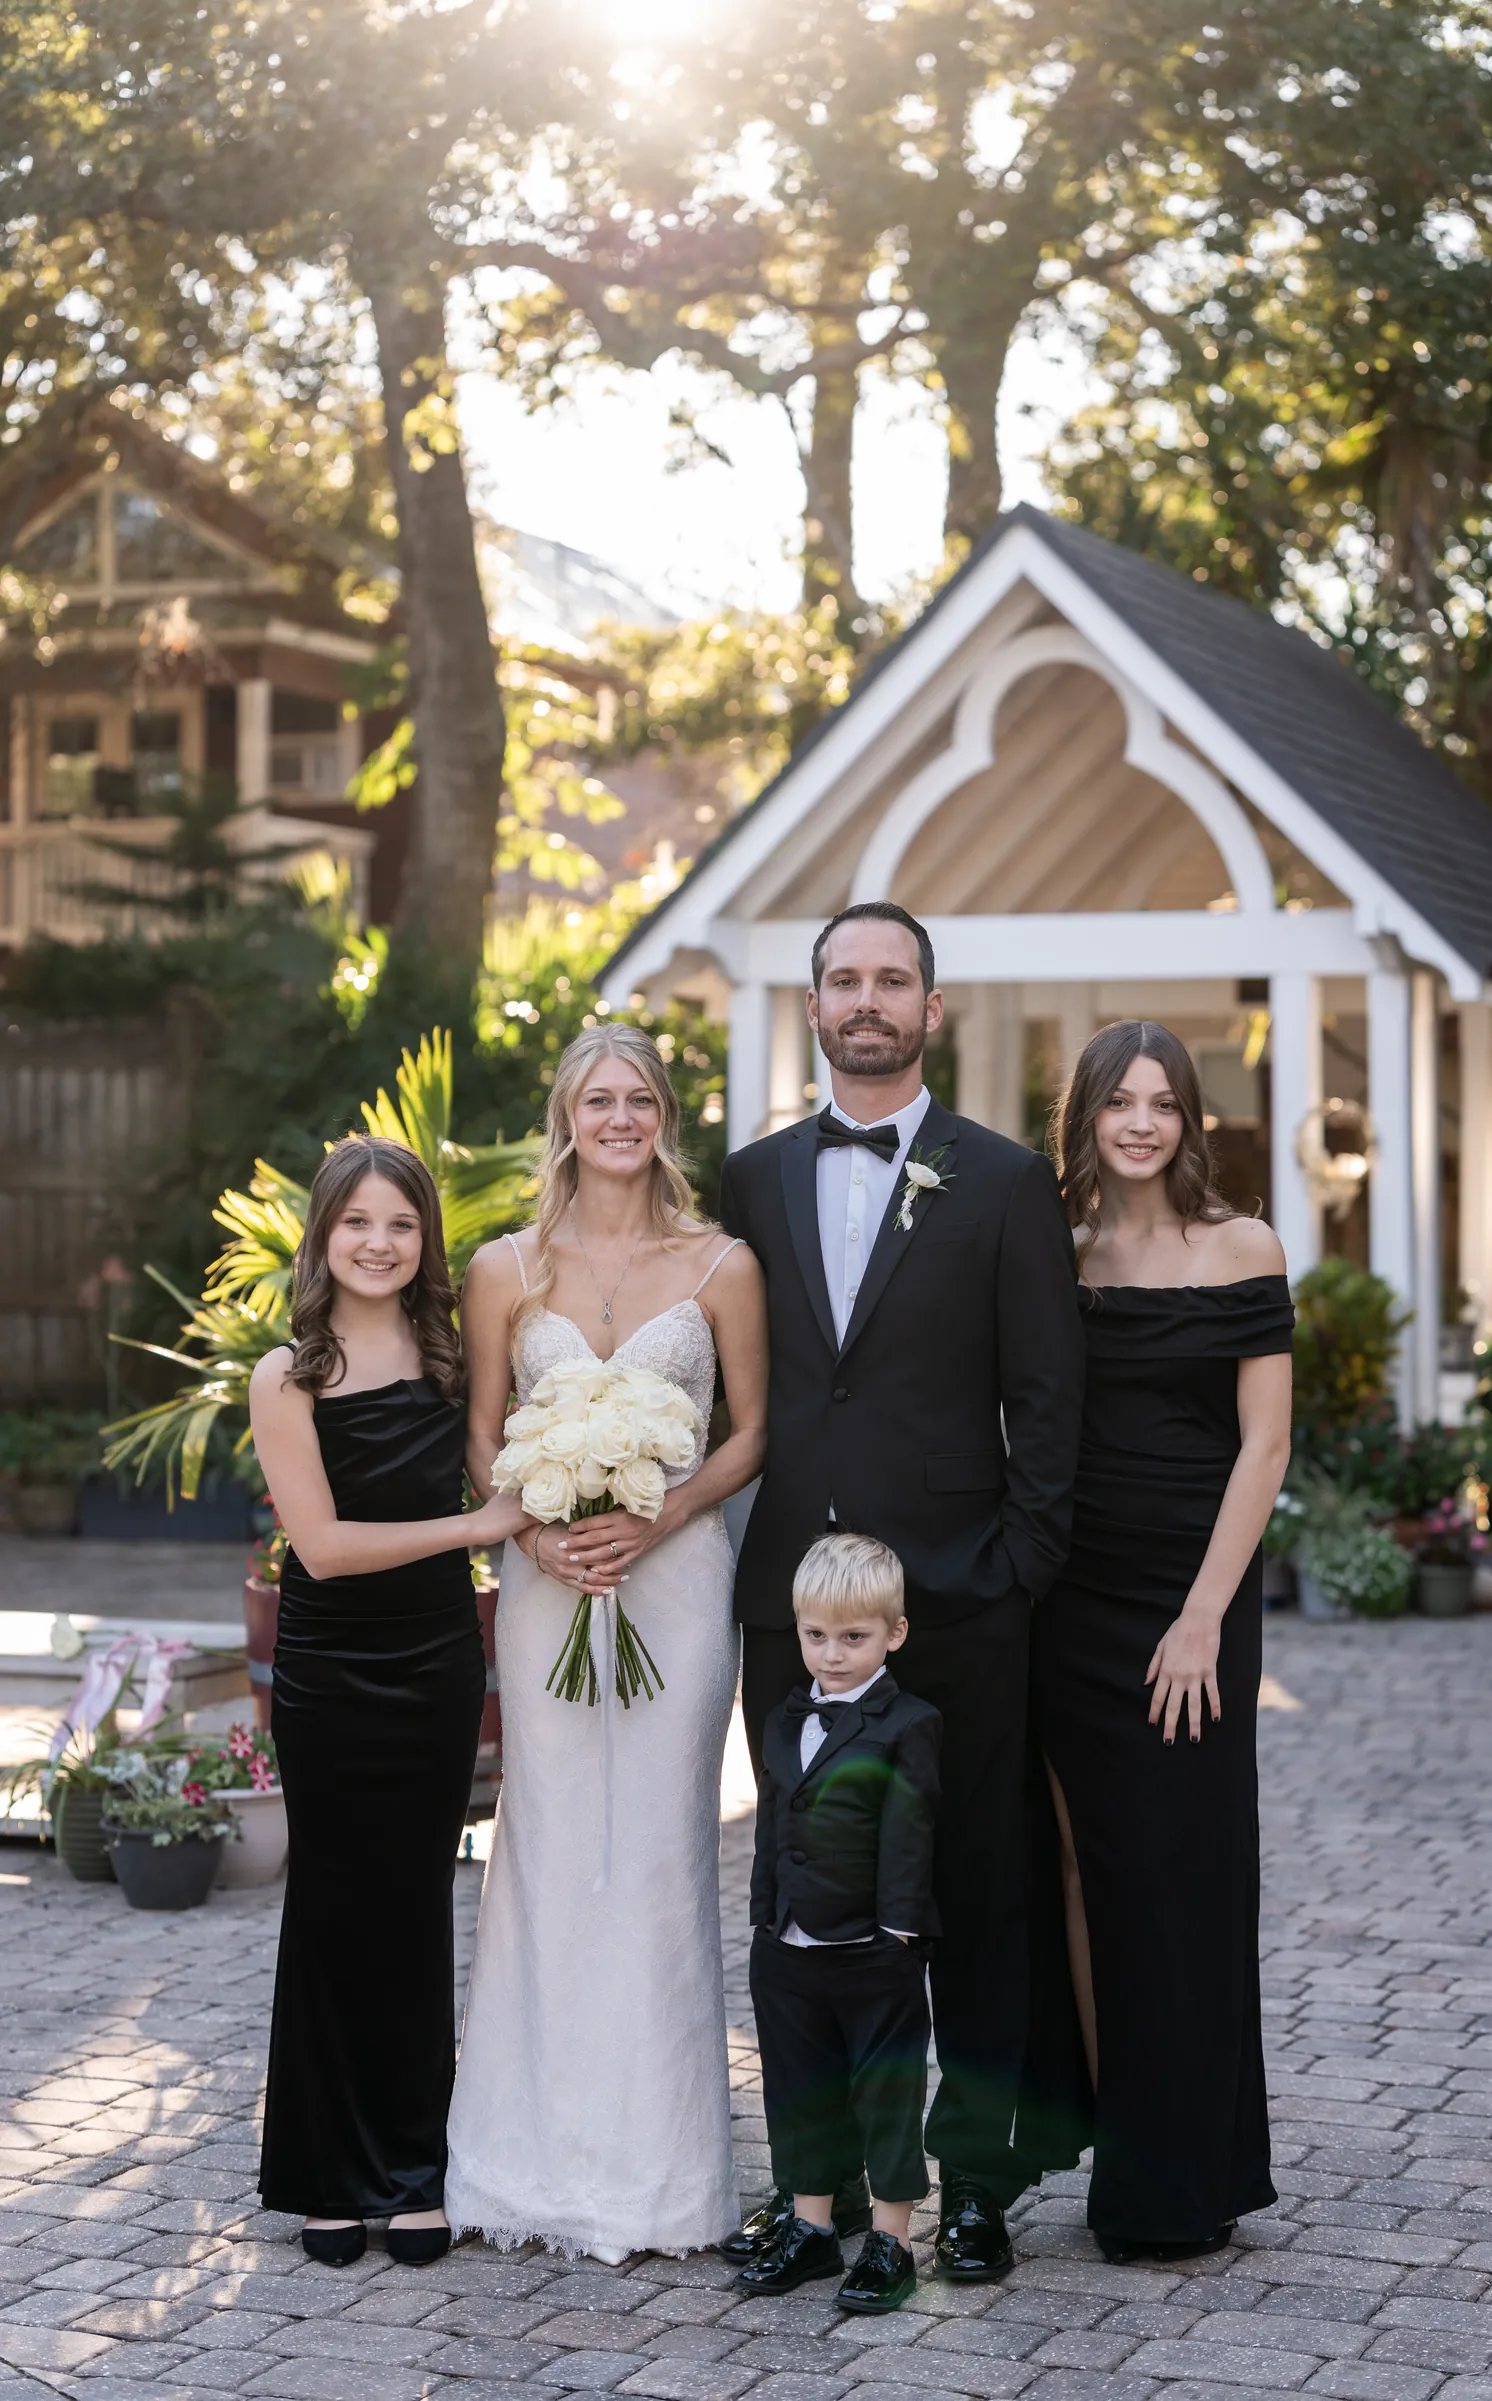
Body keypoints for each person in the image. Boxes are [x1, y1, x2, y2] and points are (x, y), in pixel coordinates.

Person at [719, 901, 1083, 2280]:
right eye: (844, 978)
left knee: (977, 1897)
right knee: (801, 1912)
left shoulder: (998, 1182)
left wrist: (1014, 1573)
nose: (867, 999)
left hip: (960, 1609)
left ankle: (976, 2183)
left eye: (893, 979)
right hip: (791, 1615)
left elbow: (1049, 1401)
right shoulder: (748, 1182)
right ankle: (813, 2198)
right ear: (813, 1004)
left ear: (934, 1007)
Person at [445, 1023, 768, 2262]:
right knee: (545, 1846)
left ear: (665, 1117)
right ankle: (523, 2162)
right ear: (565, 1116)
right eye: (597, 1098)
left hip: (676, 1585)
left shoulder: (720, 1262)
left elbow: (750, 1432)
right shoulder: (506, 1267)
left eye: (639, 1098)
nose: (619, 1117)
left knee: (656, 1854)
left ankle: (664, 2176)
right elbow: (484, 1433)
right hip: (545, 1588)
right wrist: (534, 1538)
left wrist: (660, 1514)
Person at [1028, 1020, 1292, 2264]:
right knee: (1084, 1873)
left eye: (1163, 1103)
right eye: (1118, 1102)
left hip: (1194, 1600)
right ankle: (1123, 2145)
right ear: (1082, 1115)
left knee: (1186, 1871)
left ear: (1191, 1119)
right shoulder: (1058, 1255)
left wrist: (1201, 1616)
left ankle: (1195, 2165)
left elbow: (1266, 1445)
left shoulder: (1242, 1245)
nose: (1141, 1122)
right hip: (1070, 1596)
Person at [251, 1135, 531, 2268]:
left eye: (401, 1224)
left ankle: (413, 2168)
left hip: (432, 1665)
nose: (379, 1241)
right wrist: (475, 1531)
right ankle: (326, 2175)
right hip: (330, 1672)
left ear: (427, 1242)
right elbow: (316, 1547)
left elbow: (514, 1461)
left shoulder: (453, 1356)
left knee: (417, 1906)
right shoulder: (289, 1374)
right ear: (324, 1236)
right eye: (357, 1222)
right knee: (330, 1906)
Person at [742, 1533, 941, 2316]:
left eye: (853, 1637)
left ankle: (890, 2240)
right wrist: (765, 1919)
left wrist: (896, 1934)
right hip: (788, 1947)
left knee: (883, 2096)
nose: (831, 1654)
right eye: (815, 1635)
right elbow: (771, 1823)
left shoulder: (908, 1723)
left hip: (870, 1951)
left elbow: (910, 1832)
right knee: (798, 2093)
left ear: (893, 1633)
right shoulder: (784, 1718)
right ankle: (812, 2227)